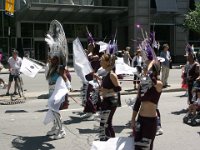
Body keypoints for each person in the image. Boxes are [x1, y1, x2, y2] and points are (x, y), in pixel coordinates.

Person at [131, 56, 163, 150]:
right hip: (140, 119)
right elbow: (137, 102)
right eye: (144, 67)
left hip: (151, 121)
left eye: (146, 67)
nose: (144, 69)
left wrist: (150, 64)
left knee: (146, 147)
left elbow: (152, 80)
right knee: (137, 146)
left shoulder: (158, 84)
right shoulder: (142, 84)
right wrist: (133, 119)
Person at [99, 53, 122, 141]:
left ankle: (111, 142)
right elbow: (107, 87)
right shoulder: (106, 73)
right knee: (105, 123)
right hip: (106, 101)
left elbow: (119, 88)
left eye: (102, 60)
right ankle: (107, 141)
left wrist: (107, 91)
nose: (100, 61)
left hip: (111, 102)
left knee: (106, 123)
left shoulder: (112, 74)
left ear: (108, 62)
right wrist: (101, 90)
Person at [44, 65, 70, 140]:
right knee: (53, 112)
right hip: (54, 95)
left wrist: (65, 90)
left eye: (60, 70)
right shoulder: (57, 75)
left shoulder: (64, 76)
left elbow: (68, 86)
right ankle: (55, 128)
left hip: (59, 98)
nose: (58, 71)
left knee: (56, 113)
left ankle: (62, 131)